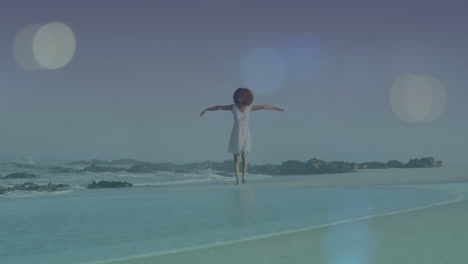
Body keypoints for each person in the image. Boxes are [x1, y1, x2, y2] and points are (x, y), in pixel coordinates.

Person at [200, 88, 284, 185]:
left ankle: (244, 176)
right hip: (236, 132)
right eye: (239, 95)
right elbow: (218, 107)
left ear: (246, 97)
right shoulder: (233, 107)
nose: (240, 97)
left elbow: (265, 106)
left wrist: (277, 108)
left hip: (246, 132)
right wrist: (206, 110)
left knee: (244, 154)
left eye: (242, 95)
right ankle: (237, 180)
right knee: (236, 158)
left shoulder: (250, 107)